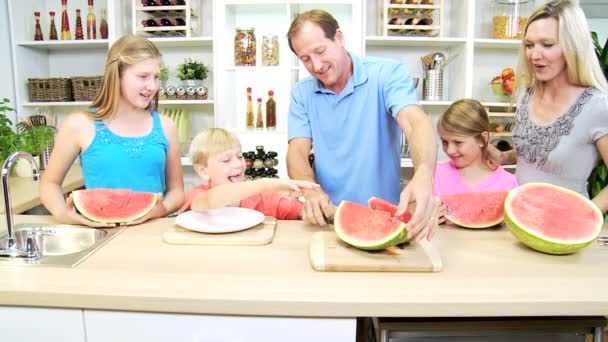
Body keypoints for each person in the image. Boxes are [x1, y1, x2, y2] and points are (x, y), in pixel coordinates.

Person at [286, 9, 439, 241]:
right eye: (305, 59)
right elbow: (297, 151)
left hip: (385, 218)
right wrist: (310, 191)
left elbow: (415, 120)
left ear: (339, 37)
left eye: (320, 51)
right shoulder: (302, 93)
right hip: (329, 221)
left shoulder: (387, 73)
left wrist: (424, 172)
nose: (316, 65)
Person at [40, 34, 184, 227]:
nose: (152, 86)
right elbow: (49, 184)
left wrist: (163, 208)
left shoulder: (166, 126)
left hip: (152, 234)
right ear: (116, 76)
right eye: (143, 76)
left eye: (156, 77)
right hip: (100, 234)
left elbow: (177, 192)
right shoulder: (80, 124)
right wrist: (63, 214)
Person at [488, 0, 608, 212]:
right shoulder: (526, 93)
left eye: (547, 44)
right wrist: (503, 157)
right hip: (519, 220)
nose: (535, 55)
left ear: (573, 46)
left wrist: (587, 215)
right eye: (529, 45)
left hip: (566, 229)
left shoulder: (597, 105)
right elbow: (539, 151)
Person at [181, 128, 319, 219]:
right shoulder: (197, 195)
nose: (238, 164)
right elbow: (212, 200)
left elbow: (299, 211)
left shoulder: (262, 199)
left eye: (240, 156)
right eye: (226, 160)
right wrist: (266, 184)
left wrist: (315, 209)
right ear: (203, 171)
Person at [435, 99, 519, 223]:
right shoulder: (435, 174)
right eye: (445, 142)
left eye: (458, 142)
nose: (450, 150)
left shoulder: (508, 183)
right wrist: (426, 217)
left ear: (482, 139)